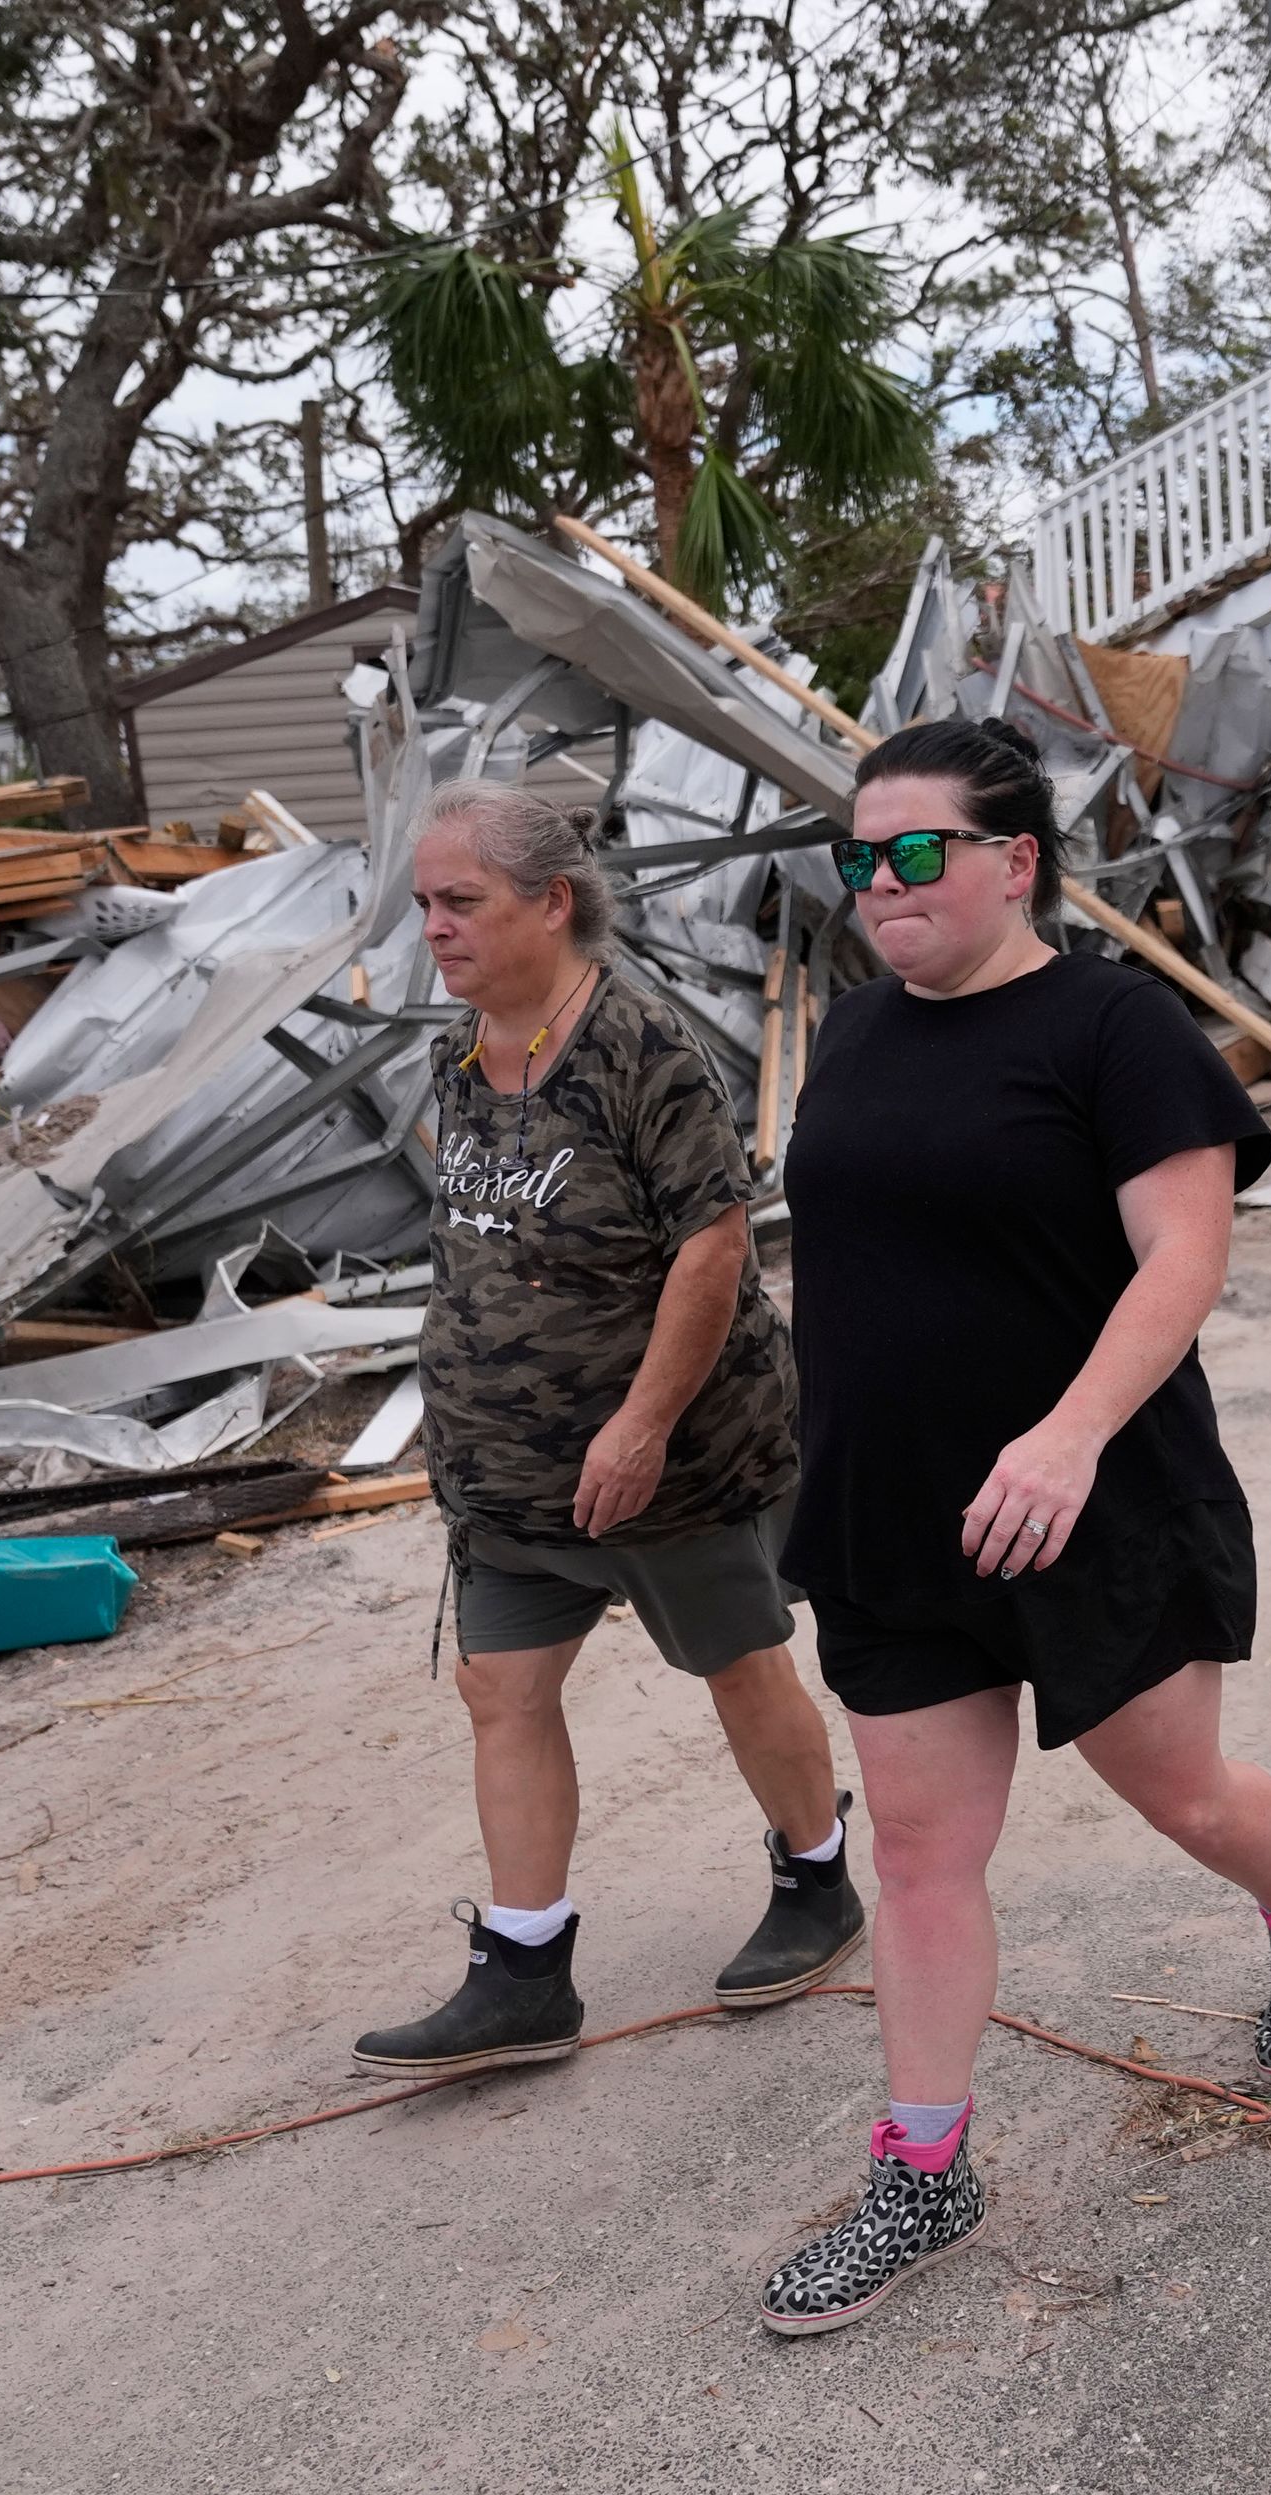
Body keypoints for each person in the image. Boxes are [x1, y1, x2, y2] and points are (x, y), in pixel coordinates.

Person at [754, 718, 1271, 2335]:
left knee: (1185, 1800)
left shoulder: (1116, 1025)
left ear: (1016, 862)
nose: (879, 881)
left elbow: (1182, 1257)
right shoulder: (859, 1032)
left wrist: (1071, 1437)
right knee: (923, 1851)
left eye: (915, 851)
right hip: (894, 1519)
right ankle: (925, 2171)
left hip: (1092, 1505)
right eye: (858, 856)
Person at [354, 780, 865, 2078]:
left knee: (739, 1666)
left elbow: (713, 1251)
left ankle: (818, 1877)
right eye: (424, 905)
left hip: (669, 1465)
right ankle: (526, 1970)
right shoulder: (461, 1052)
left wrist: (639, 1425)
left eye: (459, 902)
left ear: (551, 902)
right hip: (510, 1483)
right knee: (501, 1691)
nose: (435, 929)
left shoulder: (641, 1050)